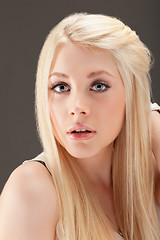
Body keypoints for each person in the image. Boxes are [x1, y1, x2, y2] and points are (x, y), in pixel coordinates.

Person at [0, 12, 160, 240]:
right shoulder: (31, 190)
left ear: (132, 93)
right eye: (61, 87)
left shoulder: (149, 169)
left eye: (98, 86)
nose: (76, 107)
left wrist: (151, 121)